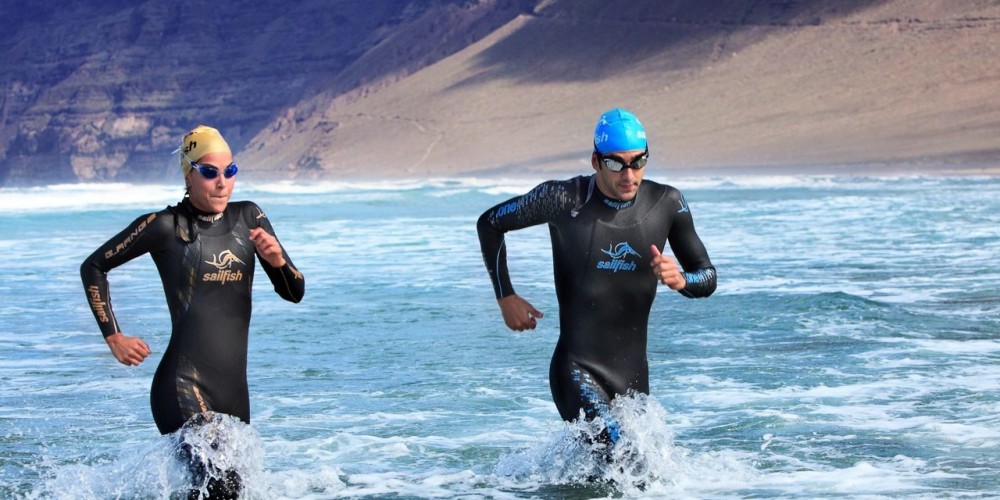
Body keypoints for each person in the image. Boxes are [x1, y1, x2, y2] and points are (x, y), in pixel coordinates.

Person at [80, 125, 305, 498]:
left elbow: (294, 292)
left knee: (228, 491)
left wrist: (278, 261)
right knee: (222, 486)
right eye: (210, 172)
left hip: (234, 393)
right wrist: (113, 336)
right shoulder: (164, 226)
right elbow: (94, 266)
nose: (222, 182)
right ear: (188, 175)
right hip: (182, 384)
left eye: (230, 171)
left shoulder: (250, 218)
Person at [476, 108, 716, 455]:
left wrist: (682, 280)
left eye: (638, 162)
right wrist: (506, 296)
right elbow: (490, 223)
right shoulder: (563, 199)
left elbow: (707, 276)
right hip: (577, 369)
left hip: (633, 379)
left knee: (637, 471)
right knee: (622, 456)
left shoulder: (667, 203)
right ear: (596, 161)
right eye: (616, 164)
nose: (629, 175)